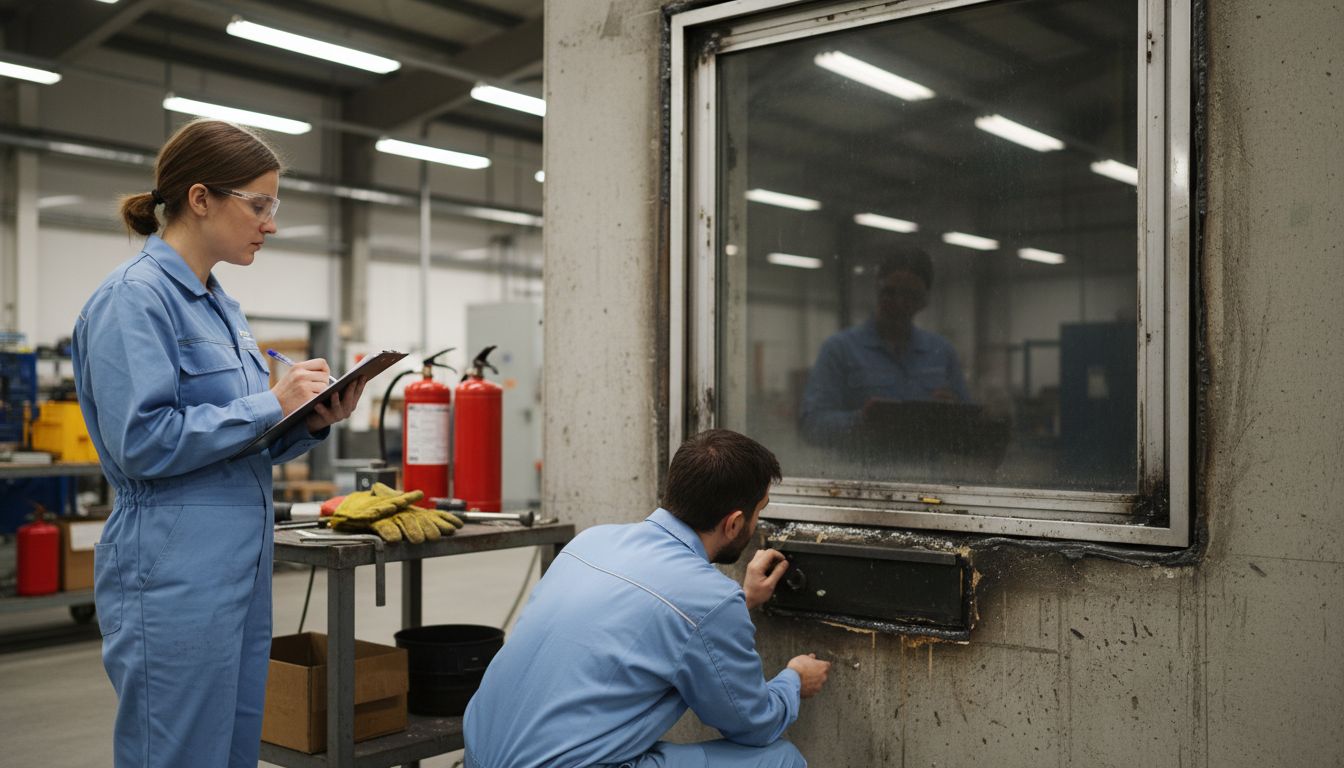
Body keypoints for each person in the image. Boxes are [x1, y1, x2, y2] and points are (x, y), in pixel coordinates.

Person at [71, 119, 367, 768]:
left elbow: (237, 441)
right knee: (176, 755)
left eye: (274, 206)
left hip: (237, 566)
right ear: (201, 198)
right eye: (259, 205)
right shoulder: (134, 300)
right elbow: (143, 443)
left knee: (232, 752)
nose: (271, 223)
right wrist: (273, 400)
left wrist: (307, 421)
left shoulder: (221, 307)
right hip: (172, 570)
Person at [463, 429, 831, 768]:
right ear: (734, 523)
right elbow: (753, 725)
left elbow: (659, 617)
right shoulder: (709, 600)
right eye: (759, 510)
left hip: (479, 754)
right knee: (780, 759)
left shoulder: (592, 541)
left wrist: (740, 601)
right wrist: (794, 680)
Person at [799, 246, 970, 445]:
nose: (899, 303)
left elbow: (971, 426)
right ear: (877, 289)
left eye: (910, 295)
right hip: (858, 474)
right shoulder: (839, 350)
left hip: (928, 474)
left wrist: (954, 415)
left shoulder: (942, 352)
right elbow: (810, 424)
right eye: (890, 293)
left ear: (924, 301)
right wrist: (860, 420)